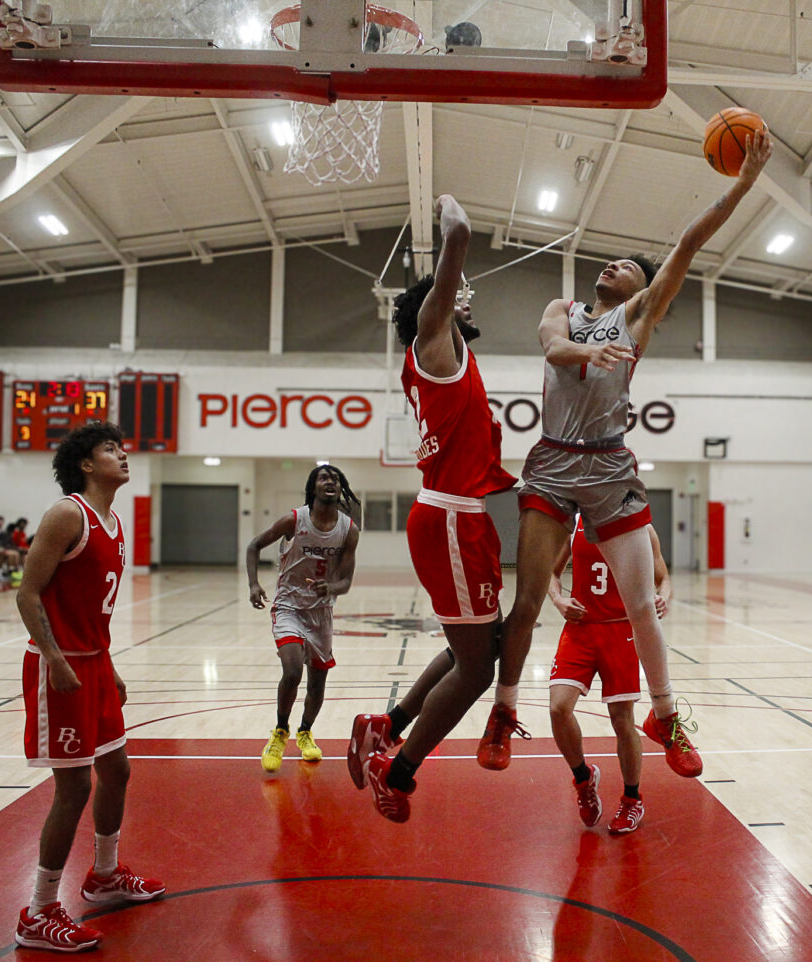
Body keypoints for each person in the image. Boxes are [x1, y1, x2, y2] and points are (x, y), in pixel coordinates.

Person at [476, 128, 774, 779]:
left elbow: (688, 246)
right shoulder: (564, 308)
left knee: (643, 605)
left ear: (644, 288)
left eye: (627, 267)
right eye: (607, 263)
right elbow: (554, 349)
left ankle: (664, 716)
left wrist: (744, 185)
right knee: (525, 598)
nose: (610, 266)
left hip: (611, 466)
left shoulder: (637, 319)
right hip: (554, 459)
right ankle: (501, 712)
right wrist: (589, 352)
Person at [347, 194, 517, 823]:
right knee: (475, 669)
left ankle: (385, 724)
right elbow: (461, 238)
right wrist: (451, 217)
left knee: (475, 647)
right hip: (450, 518)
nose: (464, 299)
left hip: (458, 517)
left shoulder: (454, 360)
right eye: (453, 295)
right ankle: (399, 769)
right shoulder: (433, 344)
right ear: (433, 312)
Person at [14, 422, 164, 953]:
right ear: (84, 464)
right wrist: (53, 657)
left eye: (122, 447)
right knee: (74, 786)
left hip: (96, 664)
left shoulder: (114, 523)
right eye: (109, 449)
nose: (123, 455)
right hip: (61, 669)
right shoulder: (66, 514)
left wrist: (110, 664)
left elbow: (89, 610)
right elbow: (28, 594)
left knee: (117, 770)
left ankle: (102, 876)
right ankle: (38, 911)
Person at [548, 517, 670, 835]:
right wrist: (559, 600)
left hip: (621, 629)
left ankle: (632, 800)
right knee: (558, 708)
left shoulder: (640, 526)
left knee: (622, 719)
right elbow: (551, 572)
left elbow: (663, 578)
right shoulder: (572, 524)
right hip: (580, 629)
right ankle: (583, 778)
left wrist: (662, 598)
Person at [247, 464, 360, 773]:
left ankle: (305, 732)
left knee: (317, 682)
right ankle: (280, 731)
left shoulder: (348, 530)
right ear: (313, 488)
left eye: (336, 479)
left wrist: (332, 587)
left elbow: (346, 582)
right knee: (293, 670)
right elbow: (254, 545)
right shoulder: (294, 520)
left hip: (321, 612)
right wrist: (254, 583)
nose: (332, 482)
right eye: (325, 478)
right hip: (288, 607)